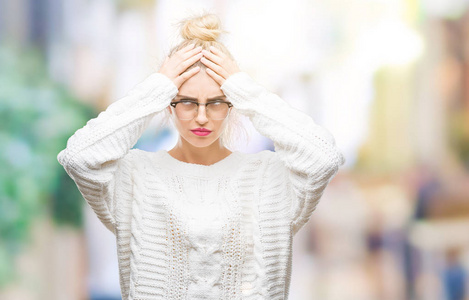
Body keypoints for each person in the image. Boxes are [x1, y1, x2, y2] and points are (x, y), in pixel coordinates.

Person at [57, 12, 346, 300]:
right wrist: (157, 86)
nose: (202, 117)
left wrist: (247, 90)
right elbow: (79, 157)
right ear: (168, 104)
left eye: (216, 102)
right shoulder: (135, 176)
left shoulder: (269, 177)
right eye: (187, 102)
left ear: (232, 104)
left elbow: (324, 157)